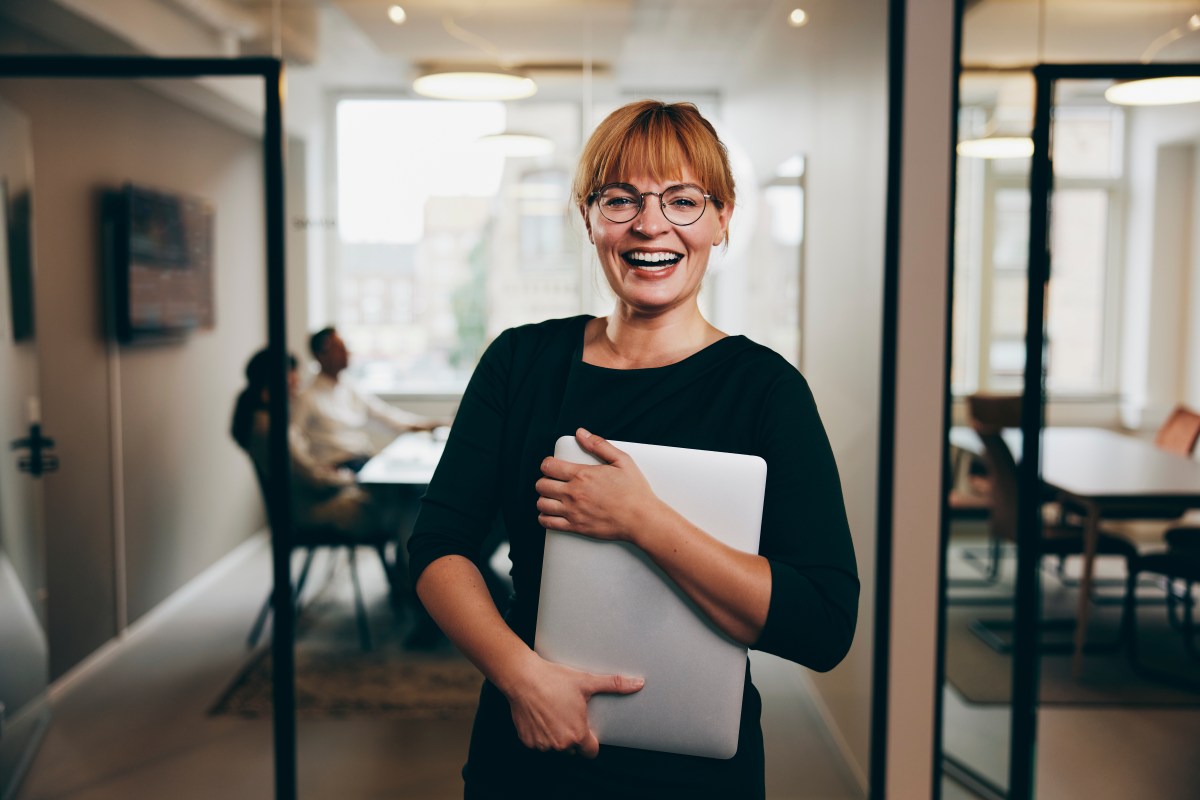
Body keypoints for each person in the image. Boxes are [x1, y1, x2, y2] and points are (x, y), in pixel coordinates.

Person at [407, 100, 859, 798]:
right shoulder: (520, 363)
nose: (651, 225)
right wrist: (520, 678)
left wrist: (642, 520)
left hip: (697, 776)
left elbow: (824, 625)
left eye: (683, 200)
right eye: (621, 199)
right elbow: (438, 547)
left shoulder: (767, 391)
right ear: (587, 217)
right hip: (525, 750)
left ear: (723, 218)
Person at [231, 348, 384, 540]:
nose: (298, 380)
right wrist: (348, 478)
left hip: (306, 501)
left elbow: (303, 469)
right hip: (311, 510)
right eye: (293, 373)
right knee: (395, 502)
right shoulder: (273, 429)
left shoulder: (263, 421)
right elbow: (312, 478)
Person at [294, 326, 440, 472]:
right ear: (321, 355)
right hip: (339, 468)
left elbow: (387, 416)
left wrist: (432, 425)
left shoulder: (349, 387)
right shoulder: (306, 396)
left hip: (363, 461)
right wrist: (315, 470)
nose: (346, 353)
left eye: (345, 347)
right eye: (339, 349)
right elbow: (294, 441)